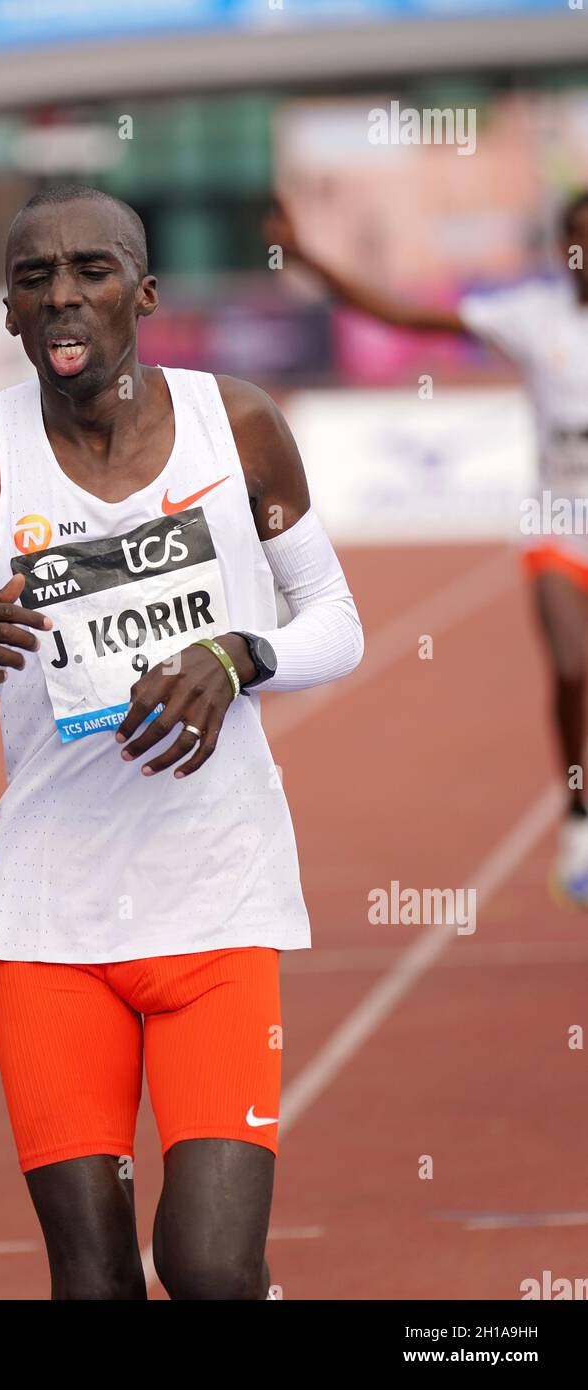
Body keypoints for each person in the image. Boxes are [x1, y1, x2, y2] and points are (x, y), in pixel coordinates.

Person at [0, 183, 363, 1300]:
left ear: (146, 292)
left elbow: (336, 623)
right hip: (49, 918)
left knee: (210, 1267)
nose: (63, 295)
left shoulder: (240, 425)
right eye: (34, 279)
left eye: (91, 270)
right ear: (11, 312)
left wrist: (235, 657)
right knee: (93, 1277)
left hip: (216, 896)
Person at [264, 191, 588, 906]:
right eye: (574, 240)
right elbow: (400, 315)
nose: (583, 254)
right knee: (571, 664)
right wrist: (308, 257)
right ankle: (576, 816)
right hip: (557, 531)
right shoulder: (531, 316)